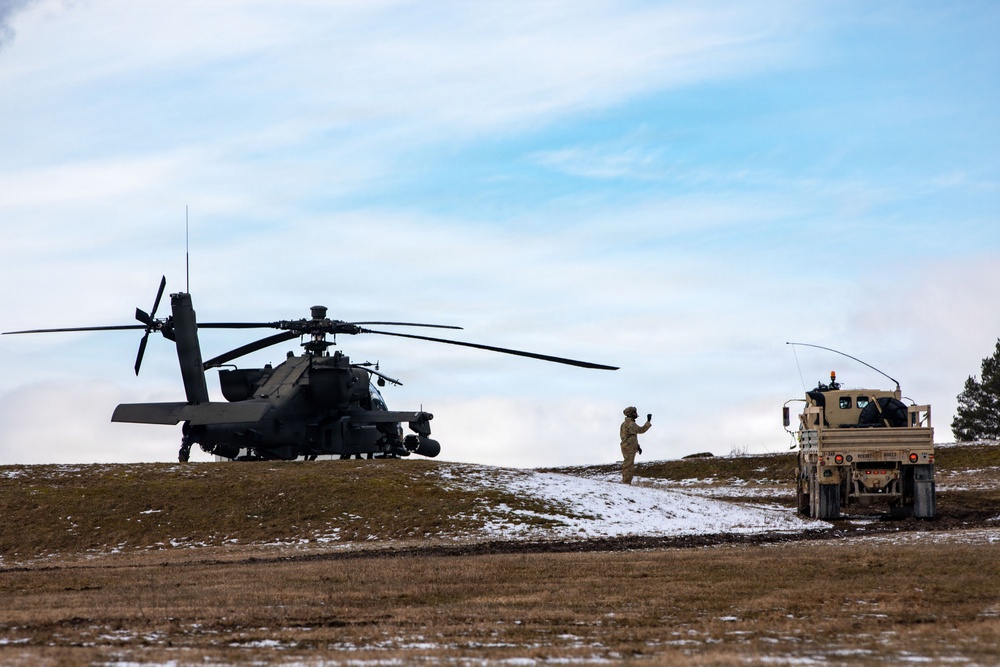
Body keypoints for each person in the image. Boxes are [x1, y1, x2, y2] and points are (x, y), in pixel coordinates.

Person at [620, 406, 651, 485]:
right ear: (630, 414)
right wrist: (648, 422)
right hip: (629, 447)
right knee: (628, 465)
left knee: (628, 464)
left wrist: (637, 446)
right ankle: (626, 483)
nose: (636, 414)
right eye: (634, 412)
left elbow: (629, 436)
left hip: (628, 446)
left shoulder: (626, 423)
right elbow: (640, 430)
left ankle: (626, 482)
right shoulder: (630, 423)